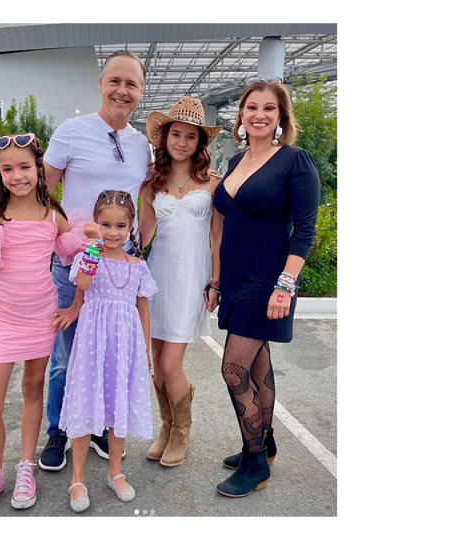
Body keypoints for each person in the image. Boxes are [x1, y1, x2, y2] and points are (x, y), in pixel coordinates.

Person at [0, 134, 88, 515]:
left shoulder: (50, 214)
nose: (17, 175)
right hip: (4, 323)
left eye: (25, 166)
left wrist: (77, 302)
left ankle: (26, 466)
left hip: (41, 317)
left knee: (32, 387)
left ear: (39, 168)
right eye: (7, 168)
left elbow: (79, 258)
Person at [38, 50, 152, 472]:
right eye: (115, 81)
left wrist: (137, 246)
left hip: (120, 270)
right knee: (66, 355)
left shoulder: (142, 144)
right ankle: (59, 430)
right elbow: (40, 194)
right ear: (101, 84)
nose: (123, 91)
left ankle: (102, 427)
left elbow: (148, 200)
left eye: (132, 84)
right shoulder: (72, 131)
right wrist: (68, 237)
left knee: (109, 352)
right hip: (74, 267)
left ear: (141, 91)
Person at [210, 79, 320, 497]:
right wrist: (217, 280)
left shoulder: (294, 160)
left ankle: (255, 461)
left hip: (268, 280)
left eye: (269, 108)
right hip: (236, 279)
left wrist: (285, 285)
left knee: (233, 368)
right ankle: (263, 440)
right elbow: (222, 224)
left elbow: (305, 231)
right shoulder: (237, 159)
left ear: (280, 117)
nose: (258, 114)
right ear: (241, 115)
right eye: (251, 107)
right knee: (257, 365)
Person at [58, 190, 157, 512]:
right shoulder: (90, 257)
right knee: (87, 406)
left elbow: (142, 308)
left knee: (117, 407)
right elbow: (83, 285)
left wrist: (144, 348)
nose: (112, 232)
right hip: (92, 345)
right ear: (95, 223)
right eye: (105, 224)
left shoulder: (138, 266)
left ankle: (115, 472)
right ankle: (77, 478)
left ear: (131, 227)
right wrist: (93, 244)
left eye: (120, 226)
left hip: (125, 347)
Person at [138, 96, 222, 467]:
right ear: (165, 137)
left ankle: (182, 432)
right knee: (157, 364)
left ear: (200, 142)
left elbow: (217, 238)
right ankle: (166, 427)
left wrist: (216, 281)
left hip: (192, 278)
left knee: (171, 364)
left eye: (191, 136)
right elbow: (142, 236)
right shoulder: (151, 184)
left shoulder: (214, 184)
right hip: (157, 278)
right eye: (176, 134)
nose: (182, 142)